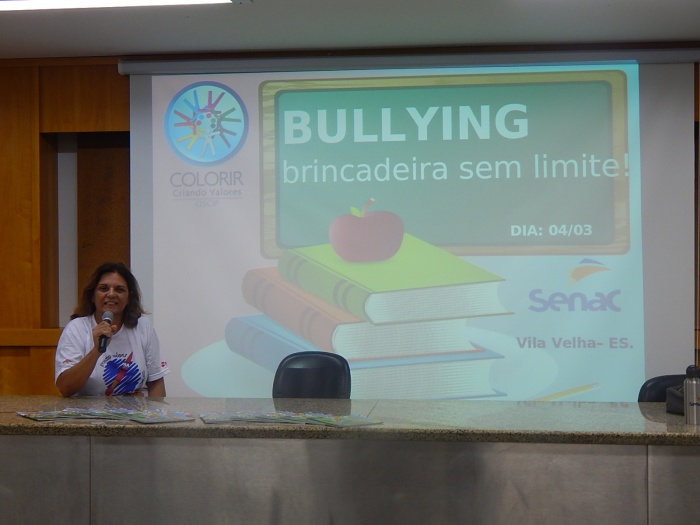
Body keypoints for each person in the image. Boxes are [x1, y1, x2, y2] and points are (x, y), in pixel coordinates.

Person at [55, 262, 169, 397]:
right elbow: (66, 388)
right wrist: (97, 351)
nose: (111, 294)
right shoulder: (76, 328)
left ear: (129, 297)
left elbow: (156, 382)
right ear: (92, 296)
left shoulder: (143, 326)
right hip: (92, 410)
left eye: (119, 290)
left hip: (138, 409)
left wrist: (155, 410)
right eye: (103, 288)